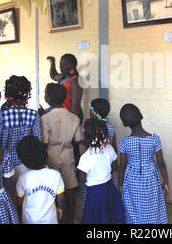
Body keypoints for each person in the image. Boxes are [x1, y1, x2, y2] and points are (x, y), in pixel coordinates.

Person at [117, 103, 169, 224]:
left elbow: (122, 167)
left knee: (132, 209)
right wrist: (166, 182)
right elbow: (161, 163)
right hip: (150, 180)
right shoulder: (154, 139)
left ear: (125, 124)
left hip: (131, 181)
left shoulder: (124, 142)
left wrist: (120, 185)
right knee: (152, 206)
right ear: (141, 116)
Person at [41, 83, 83, 224]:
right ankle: (70, 219)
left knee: (51, 189)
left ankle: (53, 218)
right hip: (68, 155)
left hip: (50, 156)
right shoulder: (74, 118)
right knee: (70, 188)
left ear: (49, 100)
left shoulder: (45, 118)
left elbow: (45, 142)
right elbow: (78, 140)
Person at [0, 75, 43, 173]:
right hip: (28, 165)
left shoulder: (1, 116)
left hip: (7, 167)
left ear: (7, 93)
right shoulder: (34, 115)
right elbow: (38, 141)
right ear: (27, 93)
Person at [77, 119, 125, 224]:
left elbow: (82, 179)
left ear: (86, 136)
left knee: (96, 217)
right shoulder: (109, 148)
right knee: (108, 214)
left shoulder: (85, 157)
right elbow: (114, 167)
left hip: (95, 192)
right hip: (109, 187)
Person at [16, 136, 65, 224]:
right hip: (50, 219)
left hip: (29, 220)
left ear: (24, 161)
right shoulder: (55, 175)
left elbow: (19, 202)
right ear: (45, 155)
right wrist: (60, 208)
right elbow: (61, 198)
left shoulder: (23, 178)